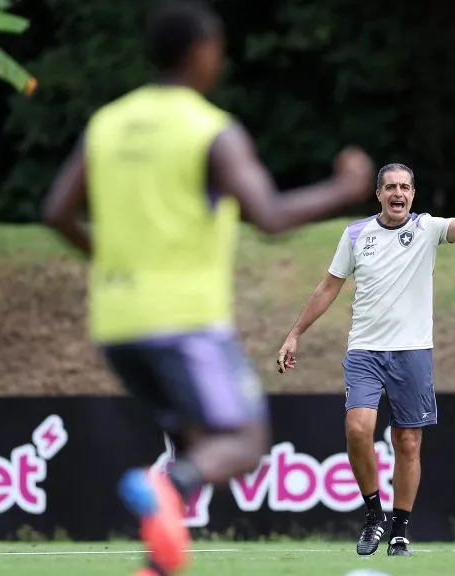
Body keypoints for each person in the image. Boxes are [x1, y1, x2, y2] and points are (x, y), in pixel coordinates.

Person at [40, 1, 374, 574]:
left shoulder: (109, 123)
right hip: (184, 322)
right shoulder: (208, 130)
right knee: (243, 444)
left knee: (198, 439)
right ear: (200, 52)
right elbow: (268, 215)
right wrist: (346, 188)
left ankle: (158, 563)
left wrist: (112, 261)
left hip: (117, 325)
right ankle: (168, 487)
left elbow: (57, 212)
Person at [276, 163, 455, 557]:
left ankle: (399, 531)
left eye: (405, 187)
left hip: (413, 351)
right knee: (358, 429)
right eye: (390, 187)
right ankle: (373, 515)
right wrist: (295, 334)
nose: (398, 194)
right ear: (378, 194)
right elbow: (328, 286)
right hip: (365, 350)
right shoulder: (355, 234)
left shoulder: (427, 228)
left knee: (408, 442)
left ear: (413, 194)